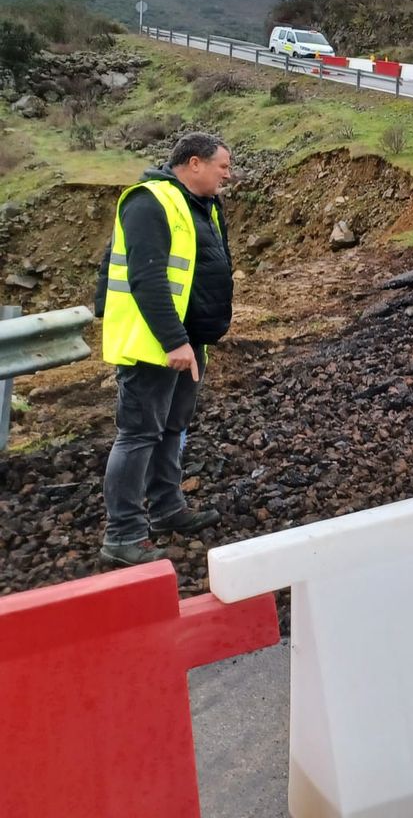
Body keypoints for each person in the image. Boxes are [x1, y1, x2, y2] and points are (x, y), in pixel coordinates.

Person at [94, 132, 234, 567]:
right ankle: (123, 535)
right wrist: (174, 340)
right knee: (138, 435)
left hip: (190, 343)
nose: (227, 175)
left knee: (172, 429)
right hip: (154, 343)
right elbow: (147, 278)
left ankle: (169, 509)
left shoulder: (203, 207)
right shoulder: (149, 202)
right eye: (222, 167)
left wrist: (195, 340)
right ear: (194, 163)